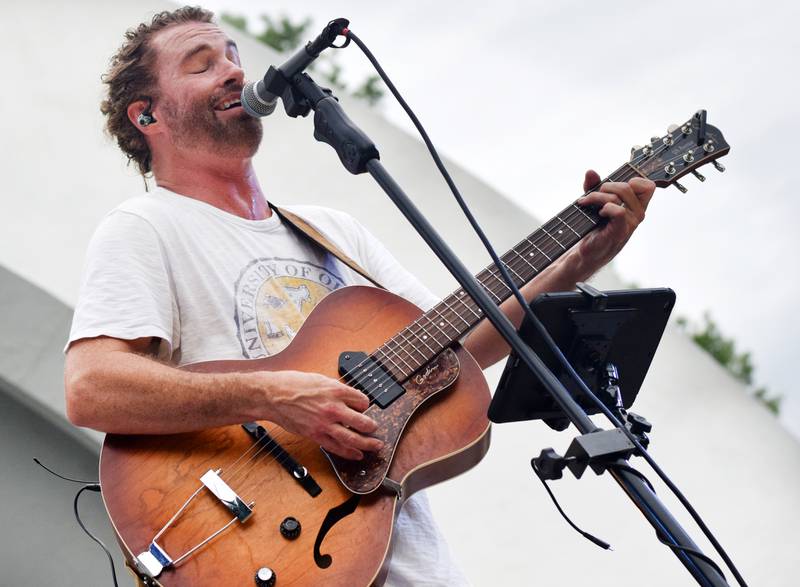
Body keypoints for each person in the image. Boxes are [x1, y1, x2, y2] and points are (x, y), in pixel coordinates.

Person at [64, 6, 655, 586]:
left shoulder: (332, 233)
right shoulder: (146, 226)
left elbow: (456, 344)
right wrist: (272, 395)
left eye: (233, 57)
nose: (235, 72)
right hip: (261, 548)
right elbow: (92, 387)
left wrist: (578, 261)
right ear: (147, 116)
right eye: (201, 65)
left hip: (402, 560)